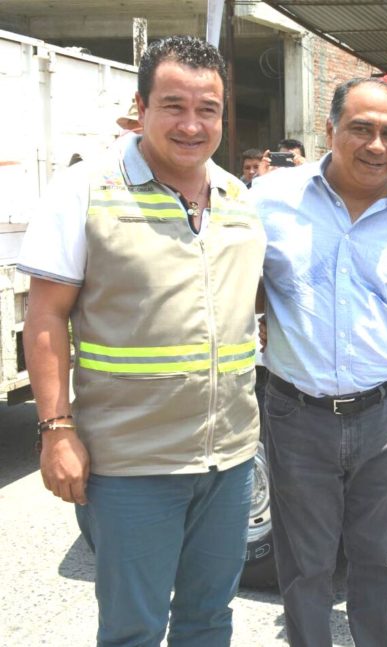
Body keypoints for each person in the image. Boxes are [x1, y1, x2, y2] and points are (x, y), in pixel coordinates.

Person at [18, 35, 265, 646]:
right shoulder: (87, 192)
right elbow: (46, 318)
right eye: (173, 105)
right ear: (141, 106)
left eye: (207, 108)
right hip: (131, 465)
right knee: (133, 628)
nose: (191, 124)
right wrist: (56, 430)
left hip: (229, 459)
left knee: (211, 617)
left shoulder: (239, 200)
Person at [252, 78, 387, 647]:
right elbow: (239, 290)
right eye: (360, 128)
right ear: (329, 130)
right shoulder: (268, 201)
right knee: (305, 565)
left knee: (380, 561)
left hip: (384, 414)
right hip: (296, 413)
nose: (375, 145)